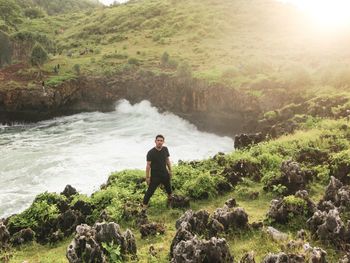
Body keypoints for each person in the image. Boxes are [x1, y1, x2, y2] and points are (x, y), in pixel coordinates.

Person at [142, 134, 172, 208]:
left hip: (165, 174)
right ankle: (143, 209)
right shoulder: (151, 152)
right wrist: (147, 177)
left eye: (161, 141)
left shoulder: (165, 149)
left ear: (163, 142)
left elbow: (167, 160)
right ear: (155, 141)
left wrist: (170, 171)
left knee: (169, 191)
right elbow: (148, 166)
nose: (159, 142)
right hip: (155, 177)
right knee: (149, 193)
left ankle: (169, 204)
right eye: (158, 140)